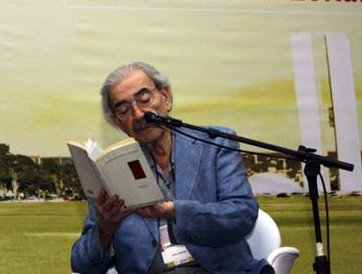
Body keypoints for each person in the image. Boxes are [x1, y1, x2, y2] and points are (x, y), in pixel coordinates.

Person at [71, 62, 274, 274]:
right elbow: (81, 264)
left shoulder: (214, 145)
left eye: (144, 98)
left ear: (166, 97)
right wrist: (105, 229)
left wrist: (175, 211)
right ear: (118, 122)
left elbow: (242, 215)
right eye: (123, 109)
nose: (138, 113)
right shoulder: (112, 170)